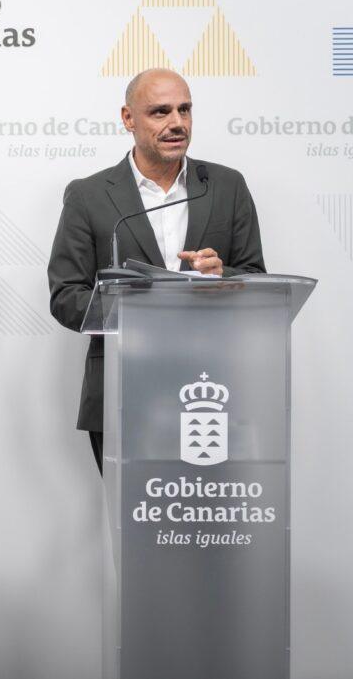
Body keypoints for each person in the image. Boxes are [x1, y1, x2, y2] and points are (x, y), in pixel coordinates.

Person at [47, 68, 265, 473]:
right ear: (128, 118)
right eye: (160, 112)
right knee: (131, 511)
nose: (177, 123)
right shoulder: (89, 196)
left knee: (206, 510)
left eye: (185, 109)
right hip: (122, 389)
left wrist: (222, 278)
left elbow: (255, 279)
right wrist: (134, 306)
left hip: (212, 389)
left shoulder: (226, 185)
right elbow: (65, 296)